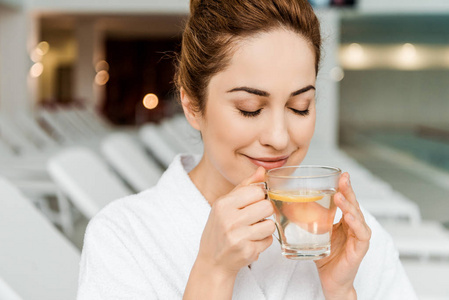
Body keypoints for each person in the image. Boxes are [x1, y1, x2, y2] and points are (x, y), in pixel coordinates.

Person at [77, 0, 417, 299]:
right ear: (192, 104)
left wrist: (341, 293)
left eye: (300, 106)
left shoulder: (351, 240)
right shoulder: (123, 238)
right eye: (250, 108)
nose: (279, 138)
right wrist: (213, 272)